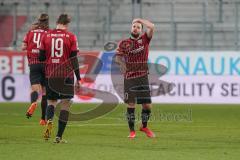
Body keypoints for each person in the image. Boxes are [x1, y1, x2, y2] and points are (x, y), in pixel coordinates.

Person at [39, 14, 81, 143]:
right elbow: (74, 59)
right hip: (66, 75)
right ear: (67, 24)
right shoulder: (71, 36)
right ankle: (58, 137)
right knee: (65, 104)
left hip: (50, 74)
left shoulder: (46, 36)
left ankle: (49, 120)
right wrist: (78, 78)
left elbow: (41, 57)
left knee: (51, 102)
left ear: (57, 22)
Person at [115, 18, 155, 139]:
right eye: (134, 26)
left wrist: (140, 20)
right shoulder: (124, 43)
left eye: (138, 27)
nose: (135, 28)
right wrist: (123, 65)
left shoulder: (145, 39)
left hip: (143, 76)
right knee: (131, 104)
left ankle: (144, 126)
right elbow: (117, 58)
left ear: (141, 30)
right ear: (131, 28)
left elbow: (152, 26)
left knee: (147, 106)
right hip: (130, 78)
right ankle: (132, 131)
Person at [22, 13, 49, 125]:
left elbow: (23, 47)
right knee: (45, 92)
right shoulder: (49, 33)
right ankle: (43, 118)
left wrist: (31, 48)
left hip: (33, 63)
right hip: (45, 64)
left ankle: (33, 102)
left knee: (34, 89)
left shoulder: (30, 32)